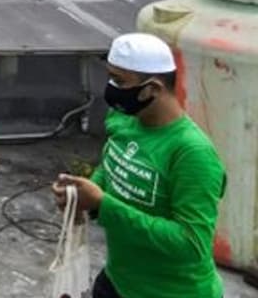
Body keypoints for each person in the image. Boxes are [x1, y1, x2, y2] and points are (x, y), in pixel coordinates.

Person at [53, 33, 226, 298]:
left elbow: (191, 244)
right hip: (117, 282)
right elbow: (113, 167)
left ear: (153, 89)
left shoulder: (191, 153)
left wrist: (103, 204)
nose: (111, 87)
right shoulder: (126, 119)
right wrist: (83, 193)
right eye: (110, 76)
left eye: (119, 81)